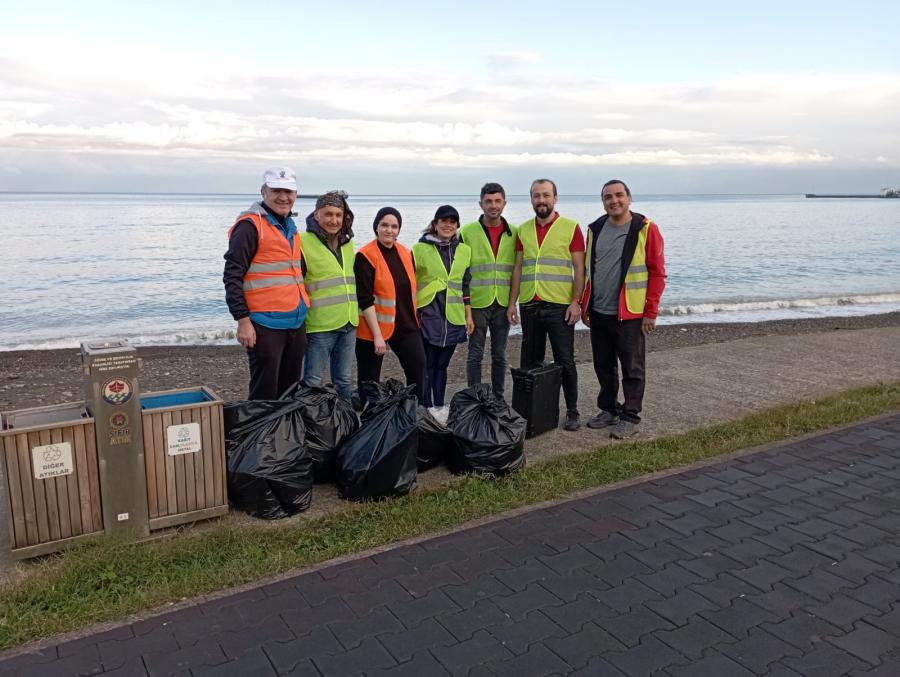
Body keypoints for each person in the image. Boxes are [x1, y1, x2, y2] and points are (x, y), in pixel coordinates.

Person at [582, 179, 666, 438]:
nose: (614, 200)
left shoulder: (645, 228)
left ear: (629, 198)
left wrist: (650, 312)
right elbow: (589, 270)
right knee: (603, 366)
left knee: (632, 367)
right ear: (603, 201)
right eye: (608, 197)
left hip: (630, 313)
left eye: (619, 195)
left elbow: (657, 273)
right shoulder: (595, 229)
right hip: (599, 312)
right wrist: (585, 304)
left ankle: (630, 416)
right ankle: (609, 409)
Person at [223, 167, 309, 400]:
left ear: (296, 195)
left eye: (289, 191)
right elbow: (232, 275)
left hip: (295, 321)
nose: (283, 197)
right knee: (265, 392)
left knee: (290, 390)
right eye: (276, 190)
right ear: (264, 192)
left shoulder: (289, 226)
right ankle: (259, 435)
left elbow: (296, 272)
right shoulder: (250, 227)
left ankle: (282, 434)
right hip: (265, 325)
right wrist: (242, 320)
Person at [508, 179, 586, 431]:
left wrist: (577, 302)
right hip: (530, 304)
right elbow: (518, 268)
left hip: (560, 306)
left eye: (546, 196)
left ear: (555, 198)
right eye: (536, 196)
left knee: (565, 360)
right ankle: (532, 412)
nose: (541, 200)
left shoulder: (570, 228)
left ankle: (572, 410)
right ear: (531, 199)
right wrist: (512, 303)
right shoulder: (523, 230)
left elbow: (579, 268)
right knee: (530, 360)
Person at [354, 207, 426, 403]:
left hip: (406, 324)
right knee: (369, 382)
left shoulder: (406, 253)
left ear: (399, 230)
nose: (389, 230)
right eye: (384, 225)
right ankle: (370, 422)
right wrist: (377, 336)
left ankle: (414, 414)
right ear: (376, 227)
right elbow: (365, 299)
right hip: (373, 328)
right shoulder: (365, 255)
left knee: (418, 368)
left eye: (394, 226)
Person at [459, 182, 516, 400]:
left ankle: (499, 398)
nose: (493, 205)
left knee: (500, 355)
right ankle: (475, 397)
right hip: (477, 303)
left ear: (504, 203)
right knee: (475, 354)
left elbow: (517, 271)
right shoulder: (466, 232)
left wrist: (513, 303)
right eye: (488, 201)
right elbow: (460, 272)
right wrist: (465, 309)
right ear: (480, 204)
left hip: (502, 303)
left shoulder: (514, 233)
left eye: (497, 201)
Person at [413, 205, 474, 409]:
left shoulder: (465, 251)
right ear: (435, 224)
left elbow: (465, 284)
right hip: (429, 314)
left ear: (457, 225)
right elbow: (410, 282)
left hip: (454, 315)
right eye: (443, 221)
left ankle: (439, 407)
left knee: (442, 365)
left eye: (452, 222)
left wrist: (469, 316)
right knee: (428, 365)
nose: (448, 225)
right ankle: (428, 408)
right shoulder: (420, 249)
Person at [300, 191, 358, 401]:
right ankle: (308, 422)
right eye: (328, 214)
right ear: (316, 215)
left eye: (338, 215)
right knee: (312, 380)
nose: (334, 220)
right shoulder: (302, 242)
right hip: (319, 325)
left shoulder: (348, 243)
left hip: (349, 322)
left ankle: (347, 422)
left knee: (344, 380)